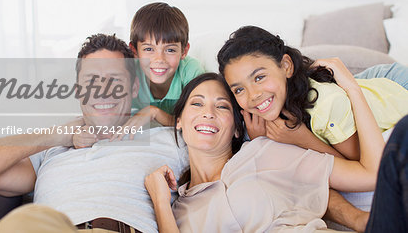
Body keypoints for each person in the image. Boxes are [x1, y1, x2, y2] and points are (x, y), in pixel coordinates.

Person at [0, 34, 188, 233]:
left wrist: (155, 112)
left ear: (134, 87)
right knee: (17, 222)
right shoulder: (50, 150)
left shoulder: (168, 140)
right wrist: (59, 135)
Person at [145, 68, 386, 232]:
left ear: (237, 129)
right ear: (179, 121)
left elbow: (322, 181)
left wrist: (357, 219)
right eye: (197, 104)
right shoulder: (178, 212)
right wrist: (160, 201)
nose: (208, 113)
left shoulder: (263, 151)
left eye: (222, 107)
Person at [216, 26, 408, 161]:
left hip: (397, 97)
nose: (253, 95)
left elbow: (359, 165)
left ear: (286, 66)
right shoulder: (257, 113)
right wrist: (260, 141)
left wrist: (302, 139)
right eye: (239, 89)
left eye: (259, 77)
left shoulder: (326, 105)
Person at [127, 2, 204, 129]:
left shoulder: (191, 72)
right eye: (148, 49)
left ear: (184, 51)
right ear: (134, 50)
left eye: (170, 50)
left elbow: (198, 121)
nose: (159, 59)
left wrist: (154, 112)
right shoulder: (128, 72)